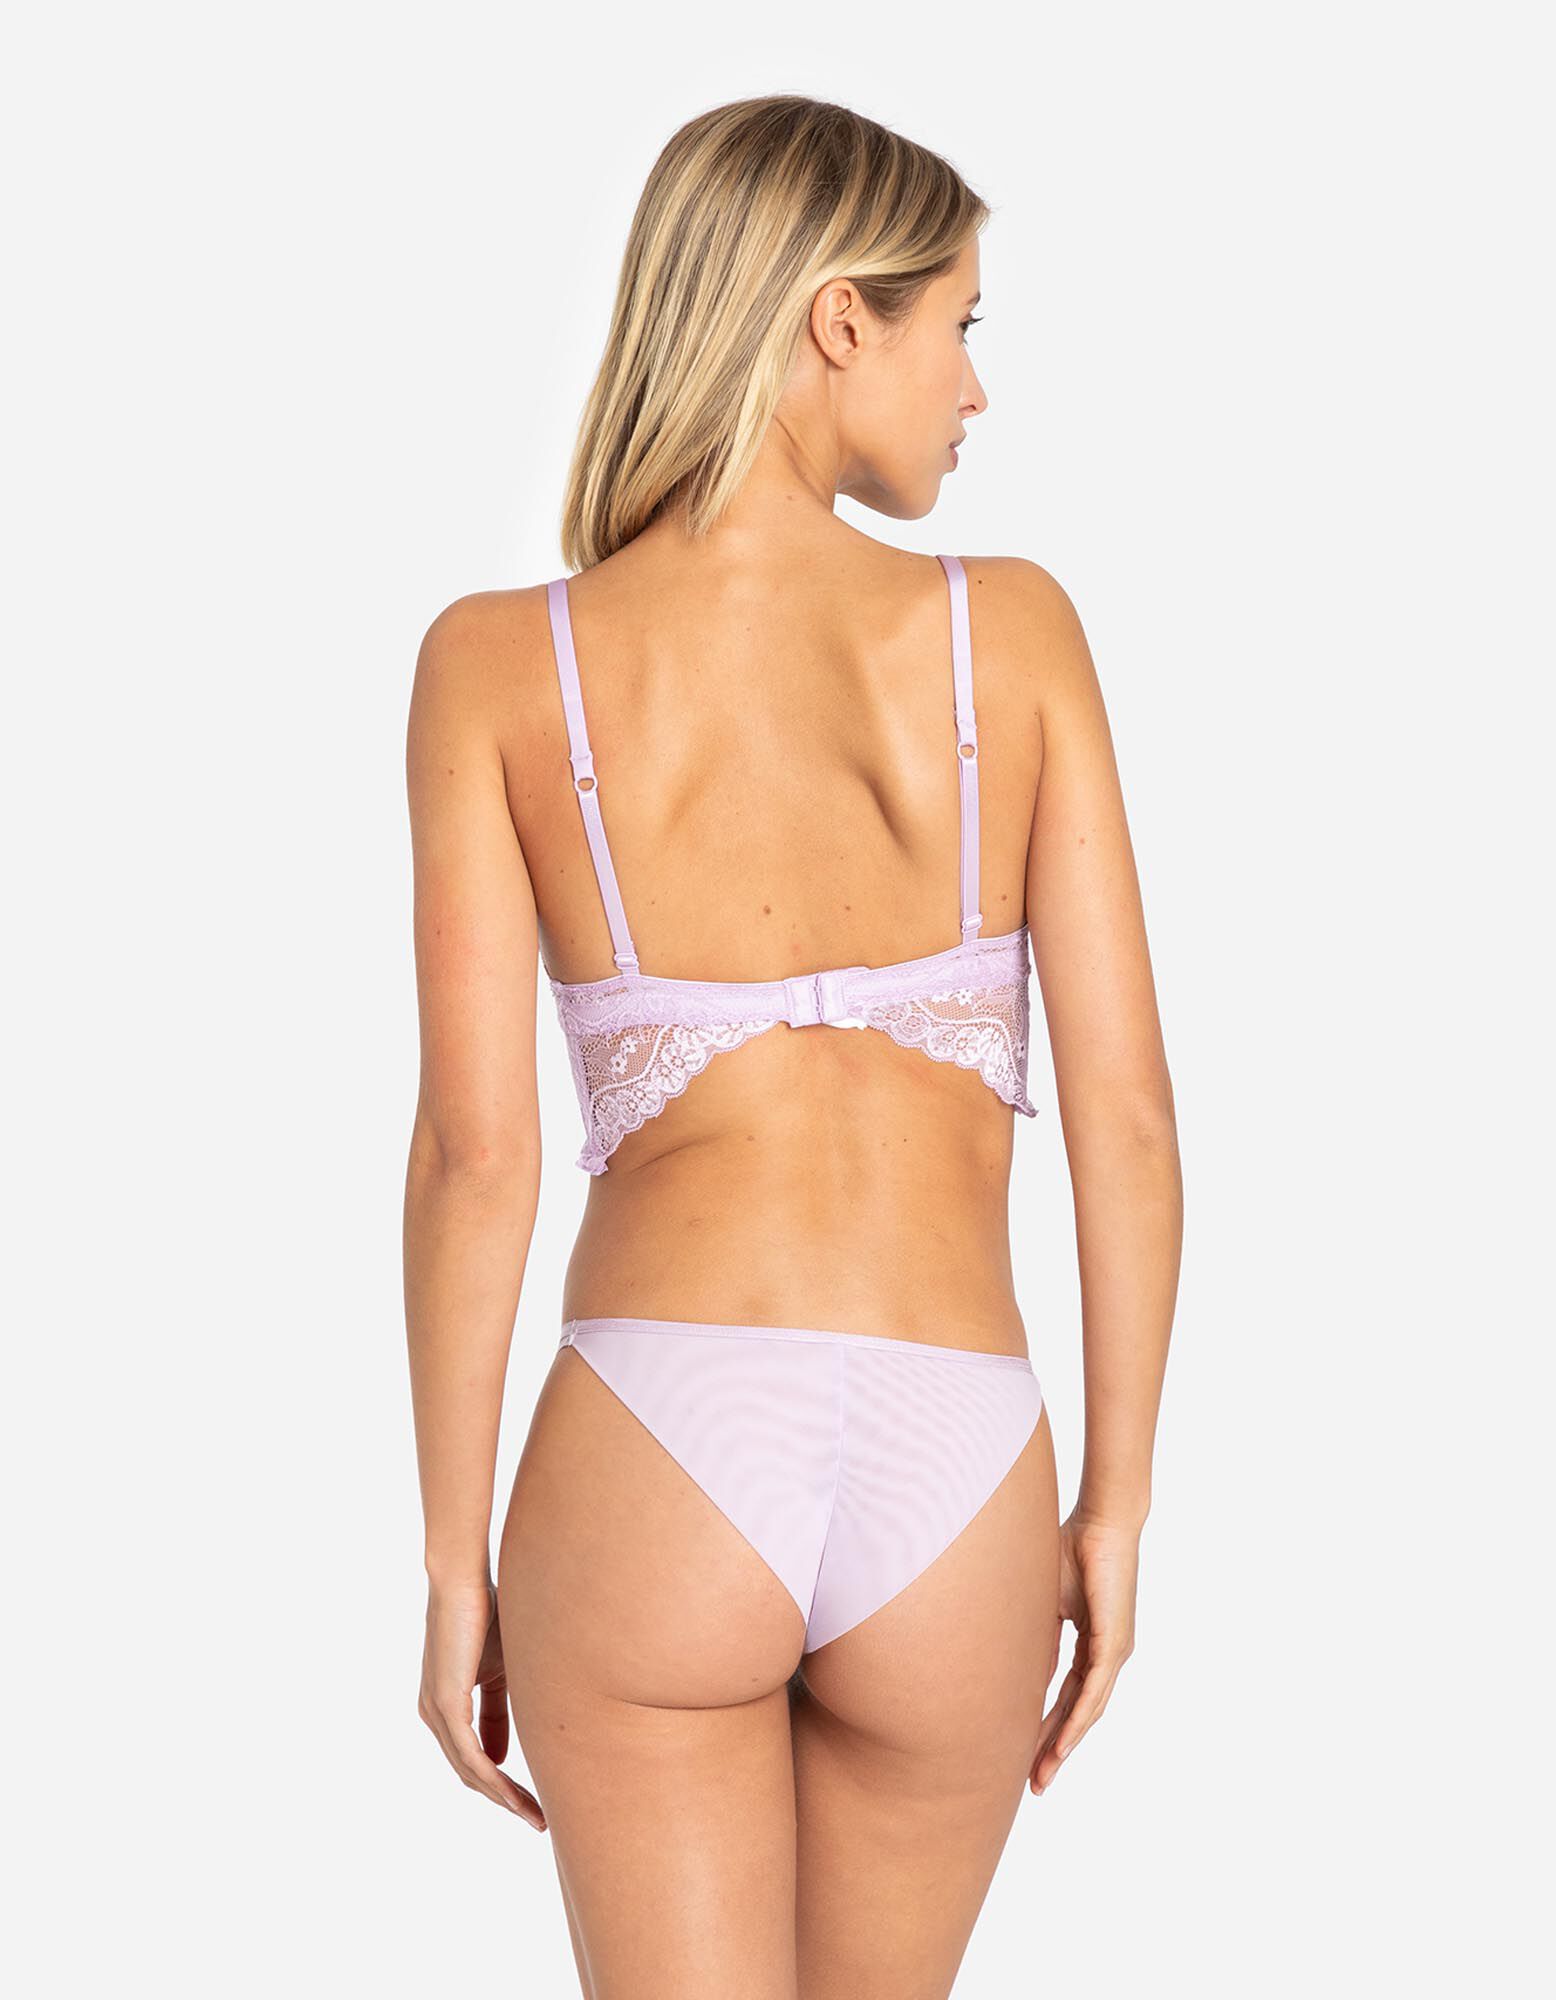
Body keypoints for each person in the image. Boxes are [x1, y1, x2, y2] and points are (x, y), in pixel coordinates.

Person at [404, 93, 1181, 2000]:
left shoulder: (499, 664)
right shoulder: (1015, 638)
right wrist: (1116, 1501)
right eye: (960, 326)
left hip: (656, 1447)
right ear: (841, 319)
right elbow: (1128, 1120)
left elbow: (478, 1160)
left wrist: (452, 1560)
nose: (975, 390)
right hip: (962, 1461)